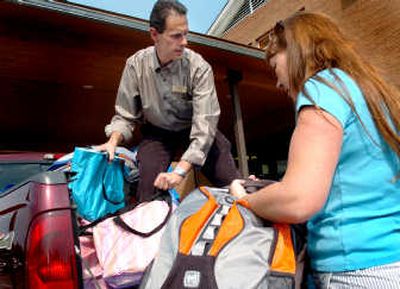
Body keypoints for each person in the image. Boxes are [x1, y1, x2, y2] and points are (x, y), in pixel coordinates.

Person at [230, 12, 400, 288]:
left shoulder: (321, 89)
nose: (277, 83)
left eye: (275, 68)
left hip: (353, 271)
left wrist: (244, 200)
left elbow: (298, 200)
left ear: (296, 50)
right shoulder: (371, 94)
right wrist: (271, 190)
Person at [97, 0, 240, 202]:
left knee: (231, 180)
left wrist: (179, 172)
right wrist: (112, 142)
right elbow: (125, 116)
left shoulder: (199, 67)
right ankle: (153, 225)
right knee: (148, 187)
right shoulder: (135, 65)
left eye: (186, 34)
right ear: (154, 34)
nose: (184, 42)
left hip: (195, 130)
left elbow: (205, 127)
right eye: (176, 36)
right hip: (158, 134)